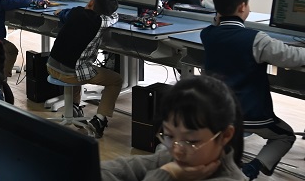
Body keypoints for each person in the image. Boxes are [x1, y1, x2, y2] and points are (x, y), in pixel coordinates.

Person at [201, 0, 305, 180]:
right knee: (285, 135)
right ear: (242, 7)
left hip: (220, 112)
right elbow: (292, 57)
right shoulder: (256, 40)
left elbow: (216, 24)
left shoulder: (208, 34)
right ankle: (252, 169)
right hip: (252, 114)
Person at [101, 76, 245, 181]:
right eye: (169, 136)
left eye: (191, 141)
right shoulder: (171, 158)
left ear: (225, 135)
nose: (177, 150)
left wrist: (166, 173)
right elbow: (98, 172)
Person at [46, 0, 120, 138]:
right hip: (71, 73)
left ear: (91, 2)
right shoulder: (101, 22)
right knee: (116, 80)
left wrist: (60, 12)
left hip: (51, 66)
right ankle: (99, 120)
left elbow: (64, 14)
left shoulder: (76, 12)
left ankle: (74, 107)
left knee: (78, 65)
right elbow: (114, 18)